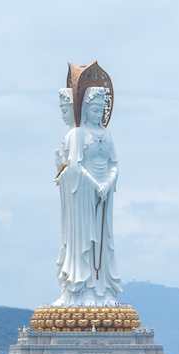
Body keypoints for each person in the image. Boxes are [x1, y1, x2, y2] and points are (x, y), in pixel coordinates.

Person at [53, 86, 121, 306]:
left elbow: (114, 165)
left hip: (104, 196)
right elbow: (74, 166)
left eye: (101, 109)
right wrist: (94, 185)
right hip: (82, 196)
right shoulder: (77, 135)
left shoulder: (107, 134)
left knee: (103, 241)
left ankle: (104, 291)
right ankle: (82, 290)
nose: (98, 113)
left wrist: (108, 184)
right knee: (83, 239)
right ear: (84, 109)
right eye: (94, 109)